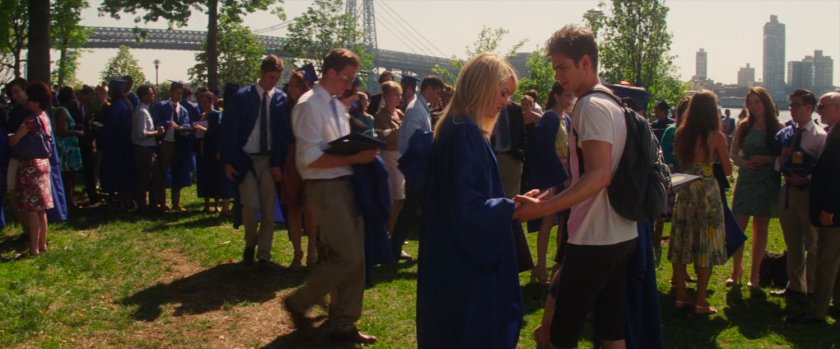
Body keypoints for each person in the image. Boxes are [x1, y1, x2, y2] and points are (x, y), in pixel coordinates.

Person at [515, 25, 638, 349]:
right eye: (556, 68)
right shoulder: (613, 102)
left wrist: (544, 209)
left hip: (594, 236)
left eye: (563, 67)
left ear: (586, 62)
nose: (558, 77)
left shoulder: (589, 106)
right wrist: (561, 192)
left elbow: (599, 176)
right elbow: (596, 171)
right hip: (621, 232)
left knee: (559, 334)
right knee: (611, 331)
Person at [417, 52, 522, 349]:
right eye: (502, 93)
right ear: (482, 86)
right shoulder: (463, 135)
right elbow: (466, 209)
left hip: (453, 257)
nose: (505, 102)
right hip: (462, 265)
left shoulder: (462, 130)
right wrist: (512, 207)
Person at [284, 48, 379, 344]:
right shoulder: (309, 106)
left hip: (345, 186)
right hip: (324, 189)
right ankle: (299, 301)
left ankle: (344, 323)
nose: (349, 84)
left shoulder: (336, 106)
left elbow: (335, 146)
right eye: (346, 78)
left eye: (352, 78)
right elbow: (309, 160)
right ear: (330, 73)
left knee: (357, 258)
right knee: (347, 256)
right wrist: (356, 158)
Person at [221, 55, 289, 269]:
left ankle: (264, 255)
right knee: (250, 206)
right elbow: (229, 131)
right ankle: (250, 243)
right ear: (261, 73)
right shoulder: (242, 97)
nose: (273, 82)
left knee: (269, 210)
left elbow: (281, 135)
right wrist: (228, 161)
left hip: (269, 159)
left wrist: (279, 163)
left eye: (277, 79)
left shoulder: (280, 99)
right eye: (271, 77)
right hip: (246, 160)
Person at [668, 90, 732, 315]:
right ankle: (701, 302)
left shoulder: (681, 132)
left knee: (682, 240)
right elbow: (728, 169)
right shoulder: (716, 136)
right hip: (706, 190)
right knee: (705, 242)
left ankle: (680, 296)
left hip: (686, 187)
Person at [787, 91, 840, 324]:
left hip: (833, 212)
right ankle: (835, 304)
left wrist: (830, 207)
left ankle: (817, 312)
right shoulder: (833, 133)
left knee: (826, 262)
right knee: (833, 261)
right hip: (830, 209)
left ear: (838, 108)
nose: (820, 111)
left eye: (823, 106)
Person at [772, 89, 826, 297]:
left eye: (796, 105)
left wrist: (806, 179)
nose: (791, 109)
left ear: (808, 108)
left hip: (808, 193)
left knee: (812, 243)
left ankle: (811, 288)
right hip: (788, 192)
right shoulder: (788, 133)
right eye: (791, 104)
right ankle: (795, 285)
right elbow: (777, 165)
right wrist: (783, 160)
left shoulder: (819, 137)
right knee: (792, 241)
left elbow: (823, 170)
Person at [729, 86, 782, 288]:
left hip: (767, 181)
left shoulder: (777, 127)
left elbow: (783, 157)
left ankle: (756, 274)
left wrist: (767, 159)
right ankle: (736, 270)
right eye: (750, 103)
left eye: (757, 102)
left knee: (761, 228)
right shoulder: (744, 125)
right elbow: (733, 154)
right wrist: (744, 163)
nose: (753, 106)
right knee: (739, 226)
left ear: (765, 103)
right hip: (747, 180)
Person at [391, 75, 445, 260]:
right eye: (437, 92)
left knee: (412, 208)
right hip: (416, 164)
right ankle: (396, 247)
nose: (438, 97)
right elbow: (415, 139)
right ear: (428, 89)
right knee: (413, 208)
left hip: (418, 163)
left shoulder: (420, 107)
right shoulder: (416, 109)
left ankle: (396, 247)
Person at [524, 82, 573, 285]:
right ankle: (541, 266)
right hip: (551, 177)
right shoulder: (550, 118)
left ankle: (559, 264)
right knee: (547, 220)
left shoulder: (567, 118)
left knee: (565, 221)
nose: (571, 99)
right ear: (557, 96)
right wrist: (561, 176)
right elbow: (545, 151)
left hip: (565, 175)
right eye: (567, 95)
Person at [10, 81, 54, 256]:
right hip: (43, 164)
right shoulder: (45, 116)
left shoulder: (30, 119)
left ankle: (33, 248)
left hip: (30, 166)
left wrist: (10, 137)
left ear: (34, 98)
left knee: (31, 209)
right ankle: (43, 244)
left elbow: (14, 140)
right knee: (41, 208)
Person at [278, 72, 317, 268]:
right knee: (293, 208)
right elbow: (278, 139)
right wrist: (276, 165)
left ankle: (312, 251)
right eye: (291, 85)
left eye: (297, 85)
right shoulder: (282, 109)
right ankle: (297, 253)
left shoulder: (313, 106)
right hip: (290, 159)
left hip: (310, 158)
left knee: (309, 210)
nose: (292, 89)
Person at [152, 81, 194, 212]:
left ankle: (176, 203)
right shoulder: (161, 106)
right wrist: (167, 123)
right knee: (162, 173)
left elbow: (186, 124)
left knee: (178, 173)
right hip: (165, 143)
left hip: (178, 144)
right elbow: (155, 121)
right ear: (171, 93)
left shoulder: (183, 110)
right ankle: (162, 202)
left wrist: (182, 128)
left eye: (181, 94)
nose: (179, 96)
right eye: (177, 93)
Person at [100, 78, 137, 209]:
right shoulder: (127, 103)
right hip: (127, 143)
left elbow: (113, 126)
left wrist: (101, 128)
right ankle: (127, 199)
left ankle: (122, 201)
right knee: (126, 173)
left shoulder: (116, 106)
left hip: (117, 144)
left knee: (119, 173)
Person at [374, 80, 405, 237]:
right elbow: (386, 137)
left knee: (400, 198)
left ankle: (391, 231)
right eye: (396, 95)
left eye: (400, 94)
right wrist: (402, 129)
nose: (399, 98)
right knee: (395, 197)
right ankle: (386, 232)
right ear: (386, 96)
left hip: (399, 156)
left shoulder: (399, 113)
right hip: (389, 156)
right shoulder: (381, 116)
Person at [194, 91, 231, 214]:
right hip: (203, 148)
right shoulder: (202, 115)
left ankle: (216, 204)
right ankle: (206, 203)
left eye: (206, 102)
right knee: (204, 176)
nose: (203, 104)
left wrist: (203, 129)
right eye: (201, 102)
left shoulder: (216, 114)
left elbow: (218, 132)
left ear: (211, 101)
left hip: (212, 149)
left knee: (215, 176)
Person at [131, 85, 164, 210]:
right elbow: (141, 134)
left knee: (153, 177)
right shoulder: (141, 111)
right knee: (144, 178)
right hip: (143, 149)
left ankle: (150, 204)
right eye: (150, 94)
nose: (153, 96)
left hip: (148, 148)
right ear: (143, 96)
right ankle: (141, 205)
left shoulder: (145, 109)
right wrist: (157, 132)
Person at [53, 86, 85, 208]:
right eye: (72, 97)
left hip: (69, 148)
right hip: (65, 149)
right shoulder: (61, 110)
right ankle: (68, 202)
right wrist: (76, 132)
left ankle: (69, 200)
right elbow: (61, 131)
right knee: (67, 177)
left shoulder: (65, 110)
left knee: (70, 177)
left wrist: (76, 126)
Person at [493, 99, 527, 198]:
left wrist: (521, 154)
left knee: (512, 197)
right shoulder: (488, 105)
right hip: (493, 157)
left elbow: (522, 133)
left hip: (512, 158)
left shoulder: (515, 108)